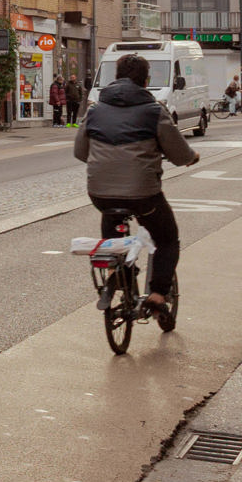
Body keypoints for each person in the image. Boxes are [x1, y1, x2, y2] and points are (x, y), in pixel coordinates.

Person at [75, 51, 199, 315]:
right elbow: (179, 154)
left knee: (111, 219)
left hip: (100, 192)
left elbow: (80, 152)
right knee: (166, 239)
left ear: (115, 78)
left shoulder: (95, 111)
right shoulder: (154, 111)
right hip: (143, 194)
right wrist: (192, 157)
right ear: (146, 81)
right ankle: (156, 294)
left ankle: (120, 273)